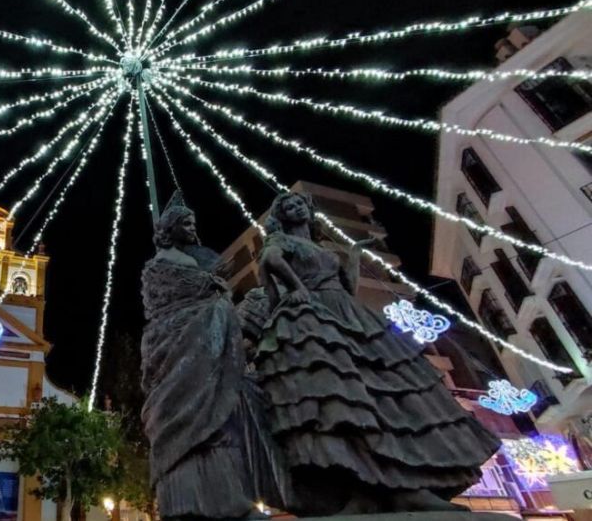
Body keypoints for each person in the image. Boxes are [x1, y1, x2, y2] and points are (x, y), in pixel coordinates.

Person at [240, 191, 501, 515]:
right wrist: (297, 287)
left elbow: (347, 287)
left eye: (299, 203)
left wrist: (353, 256)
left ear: (309, 210)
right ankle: (362, 488)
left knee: (383, 396)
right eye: (288, 206)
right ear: (281, 216)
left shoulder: (321, 248)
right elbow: (270, 260)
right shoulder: (281, 241)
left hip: (346, 312)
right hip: (312, 316)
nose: (295, 208)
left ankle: (406, 486)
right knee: (339, 400)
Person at [140, 192, 285, 520]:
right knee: (189, 415)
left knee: (221, 418)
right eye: (185, 222)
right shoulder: (159, 265)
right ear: (171, 228)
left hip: (208, 339)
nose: (192, 227)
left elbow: (214, 289)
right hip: (179, 341)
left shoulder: (194, 257)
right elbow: (162, 297)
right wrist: (208, 287)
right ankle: (187, 499)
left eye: (193, 222)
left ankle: (228, 499)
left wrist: (215, 293)